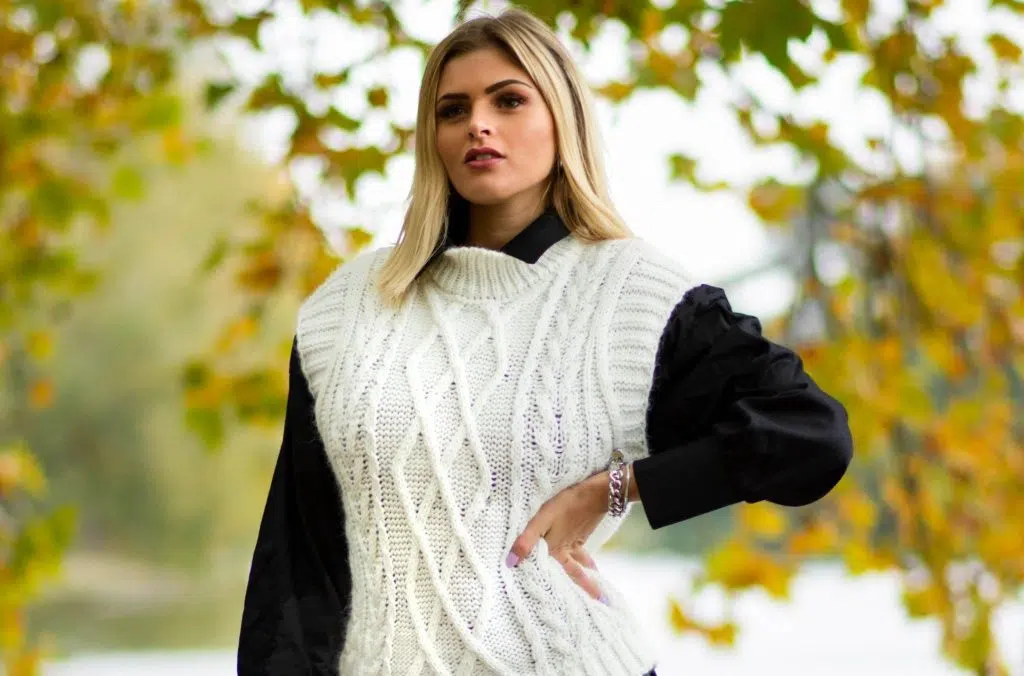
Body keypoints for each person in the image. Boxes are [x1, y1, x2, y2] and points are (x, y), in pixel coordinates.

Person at [236, 6, 853, 676]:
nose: (478, 124)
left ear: (563, 118)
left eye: (509, 100)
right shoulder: (348, 307)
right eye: (452, 110)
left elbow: (810, 435)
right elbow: (295, 565)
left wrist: (615, 488)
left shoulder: (634, 294)